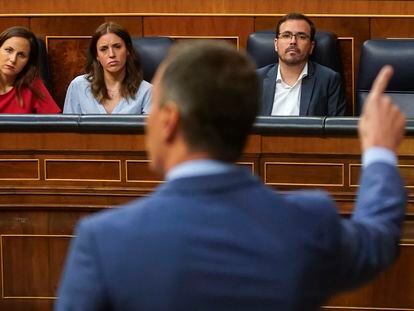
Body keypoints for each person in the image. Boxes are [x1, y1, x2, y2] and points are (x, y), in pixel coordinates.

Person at [55, 40, 406, 311]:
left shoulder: (102, 241)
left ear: (168, 121)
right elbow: (378, 239)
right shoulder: (308, 221)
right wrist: (379, 152)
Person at [257, 13, 346, 116]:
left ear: (311, 47)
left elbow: (334, 128)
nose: (293, 41)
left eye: (301, 37)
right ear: (276, 44)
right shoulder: (255, 80)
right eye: (286, 35)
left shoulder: (328, 80)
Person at [63, 22, 151, 114]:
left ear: (127, 50)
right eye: (104, 49)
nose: (111, 54)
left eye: (117, 47)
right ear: (96, 55)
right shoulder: (78, 86)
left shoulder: (147, 92)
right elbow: (68, 127)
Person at [0, 26, 60, 113]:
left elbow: (55, 123)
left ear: (28, 61)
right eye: (8, 50)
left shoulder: (33, 85)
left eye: (21, 55)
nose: (13, 59)